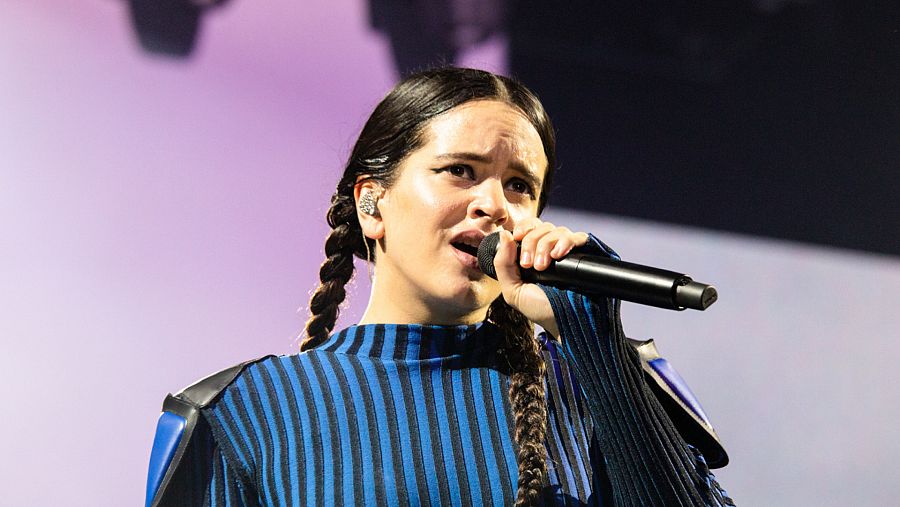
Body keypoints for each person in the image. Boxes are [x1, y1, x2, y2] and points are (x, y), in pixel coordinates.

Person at [145, 67, 734, 506]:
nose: (494, 205)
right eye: (461, 171)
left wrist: (599, 348)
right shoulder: (245, 411)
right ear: (371, 202)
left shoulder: (600, 382)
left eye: (521, 186)